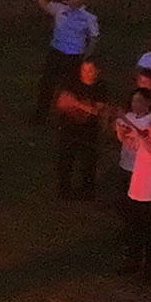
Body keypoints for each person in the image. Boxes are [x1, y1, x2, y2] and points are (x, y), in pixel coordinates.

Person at [49, 57, 108, 200]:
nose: (86, 73)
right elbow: (61, 102)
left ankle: (87, 192)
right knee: (66, 160)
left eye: (90, 70)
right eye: (84, 70)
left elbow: (96, 111)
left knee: (88, 162)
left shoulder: (101, 88)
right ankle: (64, 191)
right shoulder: (71, 83)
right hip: (69, 129)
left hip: (89, 131)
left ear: (96, 72)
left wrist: (76, 104)